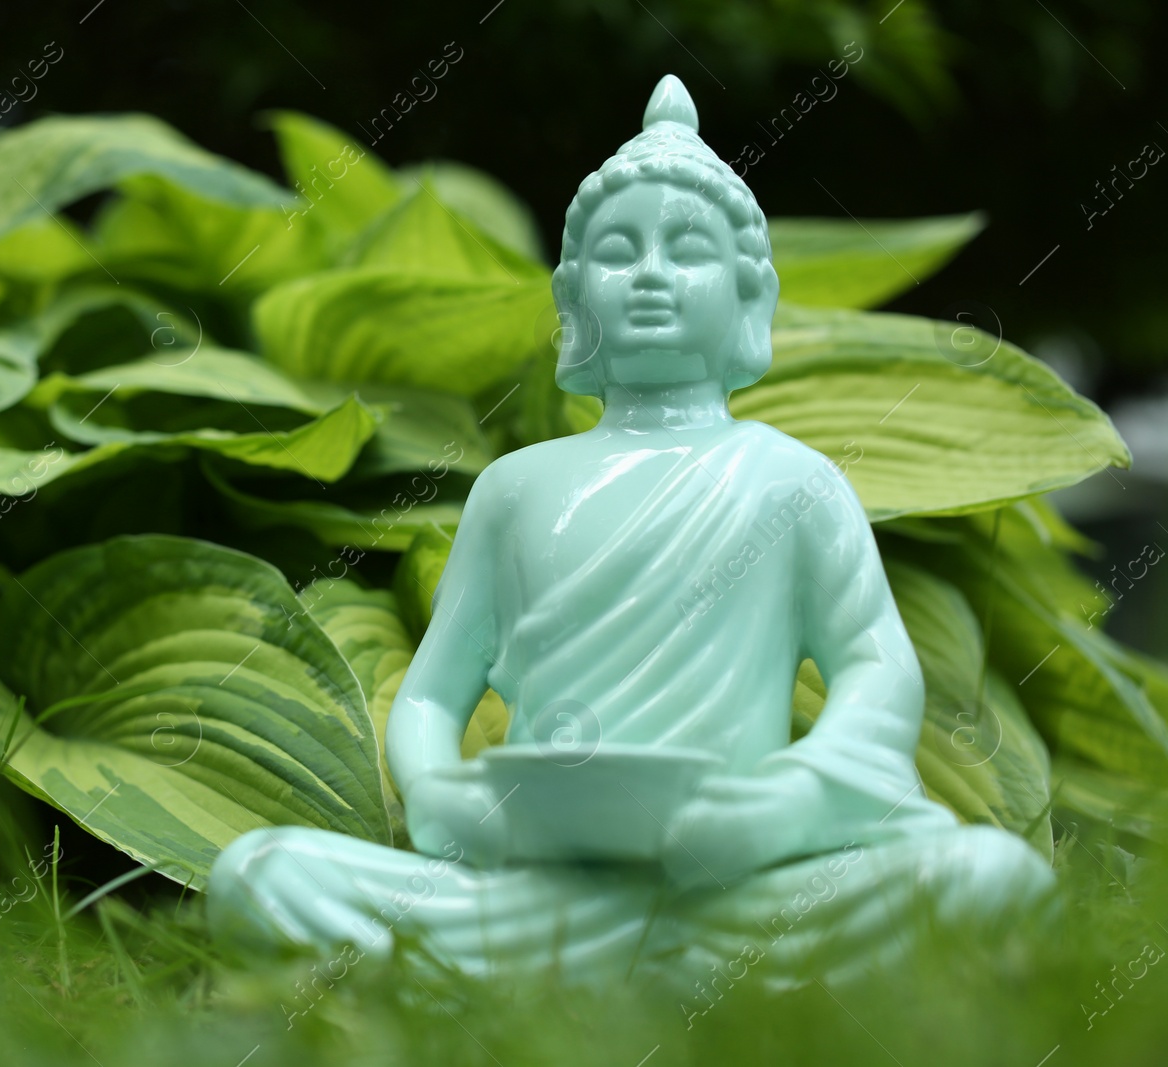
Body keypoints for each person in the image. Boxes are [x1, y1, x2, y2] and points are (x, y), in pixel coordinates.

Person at [207, 75, 1055, 983]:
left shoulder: (793, 480)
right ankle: (664, 974)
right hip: (541, 878)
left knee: (991, 876)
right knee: (259, 874)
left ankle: (562, 975)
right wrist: (443, 792)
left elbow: (878, 677)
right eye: (618, 251)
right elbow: (426, 699)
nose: (650, 273)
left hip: (732, 878)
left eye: (687, 250)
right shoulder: (515, 489)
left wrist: (787, 803)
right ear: (575, 296)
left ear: (746, 293)